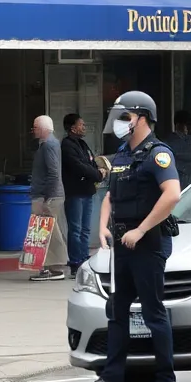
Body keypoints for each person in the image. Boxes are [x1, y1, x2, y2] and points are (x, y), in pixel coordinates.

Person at [71, 90, 182, 382]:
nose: (119, 123)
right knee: (117, 311)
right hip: (122, 245)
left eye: (125, 117)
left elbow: (172, 194)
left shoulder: (158, 154)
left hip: (147, 244)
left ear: (142, 119)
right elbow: (110, 195)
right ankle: (112, 380)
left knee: (152, 311)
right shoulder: (122, 154)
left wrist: (141, 229)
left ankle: (165, 381)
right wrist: (102, 226)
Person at [60, 114, 106, 277]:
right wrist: (96, 174)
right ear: (72, 128)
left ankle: (84, 259)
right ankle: (75, 263)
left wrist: (97, 171)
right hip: (74, 193)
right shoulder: (66, 145)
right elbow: (78, 166)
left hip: (87, 191)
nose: (84, 127)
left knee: (86, 229)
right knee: (76, 229)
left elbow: (91, 162)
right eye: (81, 125)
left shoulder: (83, 144)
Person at [29, 115, 69, 282]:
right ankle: (45, 267)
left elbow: (53, 173)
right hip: (47, 195)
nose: (33, 130)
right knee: (42, 232)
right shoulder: (47, 144)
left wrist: (47, 198)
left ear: (44, 128)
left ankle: (56, 268)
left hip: (49, 196)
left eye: (35, 127)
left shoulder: (49, 145)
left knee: (49, 232)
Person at [161, 110, 191, 187]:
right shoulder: (170, 141)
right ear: (178, 125)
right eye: (185, 125)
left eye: (189, 125)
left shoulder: (189, 139)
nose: (187, 128)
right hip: (178, 179)